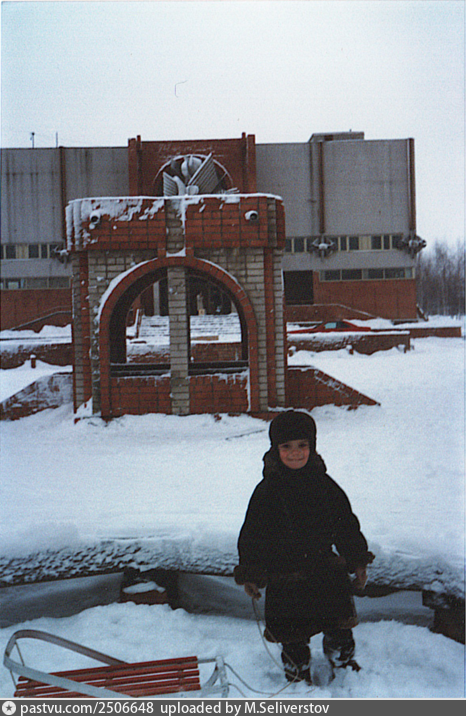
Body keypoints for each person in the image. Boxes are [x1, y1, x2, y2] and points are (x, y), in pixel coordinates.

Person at [234, 410, 374, 684]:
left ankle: (343, 663)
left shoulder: (325, 486)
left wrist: (357, 560)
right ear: (275, 449)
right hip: (285, 576)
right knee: (292, 635)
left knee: (338, 626)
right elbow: (253, 535)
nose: (295, 453)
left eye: (302, 445)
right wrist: (251, 573)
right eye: (286, 446)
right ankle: (297, 673)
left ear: (313, 446)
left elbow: (345, 524)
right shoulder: (267, 491)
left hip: (325, 571)